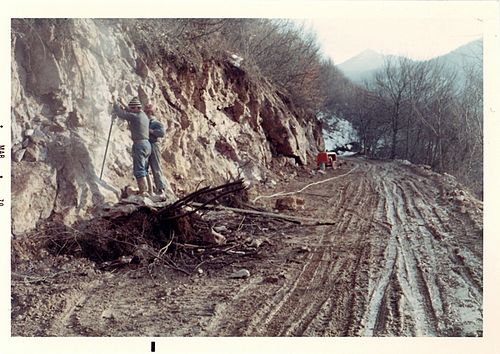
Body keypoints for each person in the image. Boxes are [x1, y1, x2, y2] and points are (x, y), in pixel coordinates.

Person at [113, 97, 151, 195]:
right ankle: (149, 191)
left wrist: (115, 103)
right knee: (145, 169)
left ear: (136, 108)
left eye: (132, 108)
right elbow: (130, 111)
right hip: (147, 144)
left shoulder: (135, 116)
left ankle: (143, 191)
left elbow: (122, 114)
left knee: (139, 169)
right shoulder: (143, 115)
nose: (131, 110)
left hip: (140, 145)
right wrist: (124, 104)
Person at [144, 103, 169, 197]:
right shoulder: (144, 121)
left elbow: (162, 133)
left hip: (154, 145)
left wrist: (152, 131)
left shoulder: (157, 123)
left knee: (156, 167)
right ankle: (148, 189)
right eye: (146, 111)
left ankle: (161, 188)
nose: (146, 113)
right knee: (144, 167)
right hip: (145, 144)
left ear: (151, 113)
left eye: (148, 112)